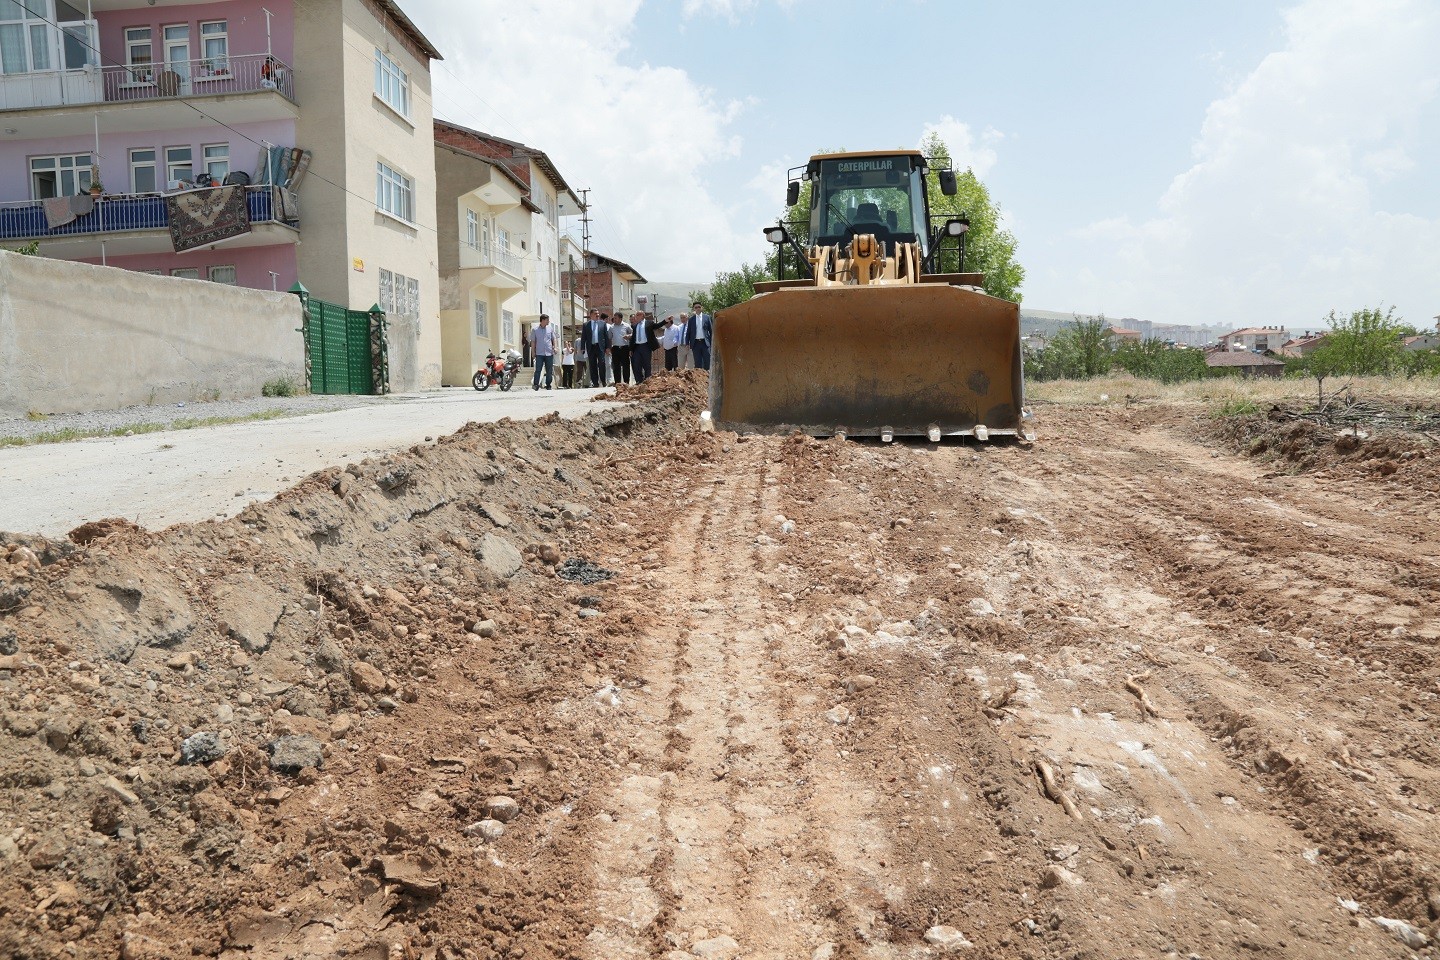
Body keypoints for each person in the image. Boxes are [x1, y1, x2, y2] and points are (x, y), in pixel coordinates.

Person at [582, 308, 609, 388]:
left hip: (600, 347)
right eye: (595, 314)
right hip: (591, 347)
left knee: (601, 363)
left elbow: (606, 336)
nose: (597, 315)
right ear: (591, 315)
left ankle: (603, 381)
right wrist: (582, 347)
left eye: (598, 313)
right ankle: (595, 383)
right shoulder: (586, 325)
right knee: (592, 365)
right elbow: (584, 337)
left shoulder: (602, 324)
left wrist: (607, 347)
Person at [529, 313, 557, 389]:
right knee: (538, 370)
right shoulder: (535, 330)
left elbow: (554, 339)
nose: (548, 321)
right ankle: (536, 384)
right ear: (543, 320)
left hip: (549, 353)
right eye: (547, 320)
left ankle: (548, 385)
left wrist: (555, 347)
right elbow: (533, 342)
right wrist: (533, 352)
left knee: (549, 371)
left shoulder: (550, 329)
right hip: (539, 353)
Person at [630, 310, 659, 383]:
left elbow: (657, 326)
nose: (635, 317)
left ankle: (647, 381)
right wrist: (630, 349)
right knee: (636, 364)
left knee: (646, 365)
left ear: (642, 316)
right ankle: (639, 381)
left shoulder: (649, 323)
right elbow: (633, 338)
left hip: (646, 346)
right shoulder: (635, 326)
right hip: (637, 347)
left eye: (637, 315)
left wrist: (665, 321)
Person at [686, 301, 713, 371]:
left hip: (705, 343)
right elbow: (688, 332)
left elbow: (711, 331)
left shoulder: (707, 317)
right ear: (693, 309)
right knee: (698, 364)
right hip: (696, 344)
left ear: (702, 308)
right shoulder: (691, 320)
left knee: (707, 362)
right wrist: (687, 344)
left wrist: (712, 342)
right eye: (696, 307)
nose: (698, 308)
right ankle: (699, 380)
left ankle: (707, 379)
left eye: (699, 307)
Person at [609, 310, 633, 385]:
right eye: (614, 318)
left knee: (626, 366)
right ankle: (617, 383)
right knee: (616, 366)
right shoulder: (611, 327)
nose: (614, 319)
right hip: (615, 348)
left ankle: (626, 382)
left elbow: (633, 334)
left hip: (624, 348)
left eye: (616, 318)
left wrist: (629, 336)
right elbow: (609, 337)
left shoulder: (626, 326)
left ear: (620, 319)